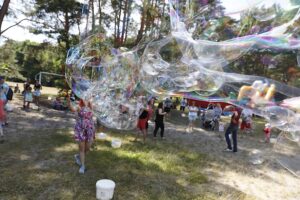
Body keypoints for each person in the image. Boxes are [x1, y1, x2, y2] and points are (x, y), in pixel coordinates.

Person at [68, 98, 95, 174]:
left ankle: (78, 156)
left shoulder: (91, 106)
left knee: (88, 147)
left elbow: (93, 116)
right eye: (85, 98)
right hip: (80, 129)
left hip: (89, 129)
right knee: (82, 148)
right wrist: (69, 103)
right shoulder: (79, 106)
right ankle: (83, 166)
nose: (87, 99)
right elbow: (73, 110)